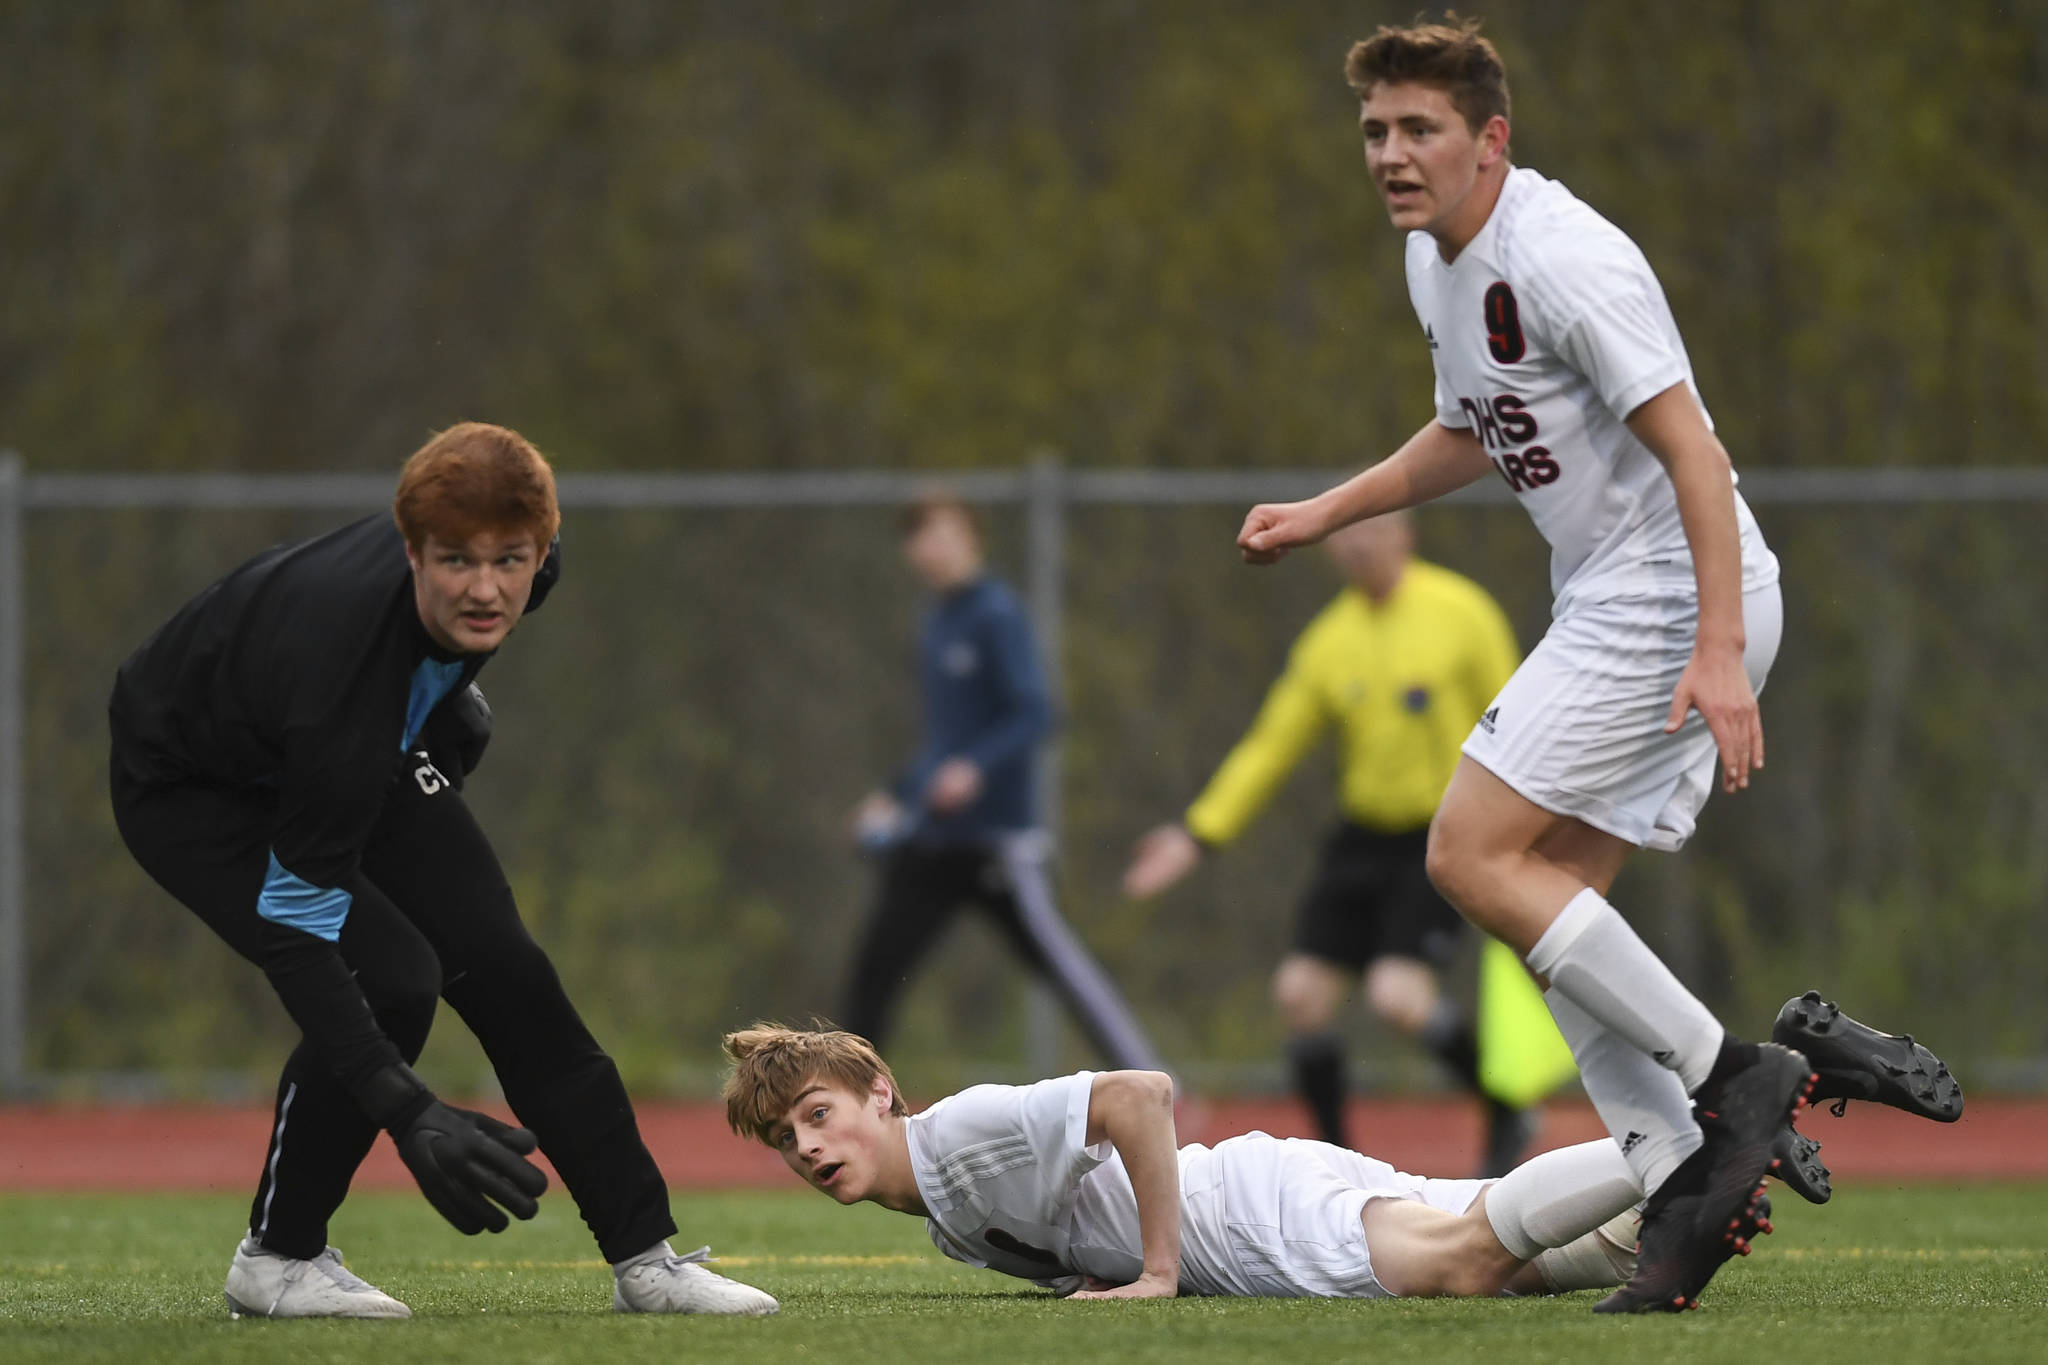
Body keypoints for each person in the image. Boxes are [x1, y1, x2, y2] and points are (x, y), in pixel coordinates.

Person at [1232, 18, 1818, 1312]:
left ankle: (1731, 1082)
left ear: (1491, 142)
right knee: (1547, 899)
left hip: (1673, 595)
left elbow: (1698, 456)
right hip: (1623, 596)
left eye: (1420, 130)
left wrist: (1718, 650)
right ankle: (1681, 1185)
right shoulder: (1430, 260)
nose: (1391, 154)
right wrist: (1325, 511)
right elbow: (1471, 431)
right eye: (1378, 131)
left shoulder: (1563, 256)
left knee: (1464, 853)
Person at [108, 423, 777, 1319]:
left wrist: (449, 698)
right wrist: (408, 1108)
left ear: (542, 549)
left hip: (338, 738)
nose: (487, 585)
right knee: (395, 976)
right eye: (456, 560)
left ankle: (647, 1258)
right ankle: (278, 1258)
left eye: (511, 558)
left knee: (508, 970)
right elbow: (298, 940)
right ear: (410, 549)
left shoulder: (528, 570)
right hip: (193, 783)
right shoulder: (340, 686)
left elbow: (450, 634)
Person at [720, 1006, 1954, 1305]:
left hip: (1241, 1213)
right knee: (1539, 1258)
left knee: (1466, 1262)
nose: (808, 1145)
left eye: (820, 1114)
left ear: (879, 1093)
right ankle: (1749, 1112)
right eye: (787, 1141)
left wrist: (1157, 1270)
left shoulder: (957, 1134)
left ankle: (1719, 1126)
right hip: (1261, 1191)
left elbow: (1138, 1095)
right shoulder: (932, 1194)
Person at [1120, 512, 1568, 1175]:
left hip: (1443, 831)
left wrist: (1532, 820)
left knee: (1397, 995)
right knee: (1299, 993)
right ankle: (1336, 1157)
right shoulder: (1330, 640)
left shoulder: (1461, 612)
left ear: (1406, 534)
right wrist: (1198, 833)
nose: (1358, 542)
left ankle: (1507, 1108)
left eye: (1373, 527)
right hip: (1363, 836)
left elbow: (1520, 712)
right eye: (1346, 531)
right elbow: (1270, 745)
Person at [841, 490, 1164, 1073]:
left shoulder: (997, 613)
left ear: (972, 537)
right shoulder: (935, 621)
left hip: (999, 847)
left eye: (944, 532)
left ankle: (1158, 1090)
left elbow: (1035, 713)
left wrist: (976, 769)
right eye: (919, 537)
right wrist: (896, 792)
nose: (931, 547)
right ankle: (847, 1110)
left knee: (1069, 975)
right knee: (873, 973)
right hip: (934, 843)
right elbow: (944, 741)